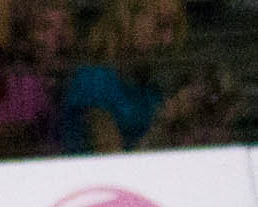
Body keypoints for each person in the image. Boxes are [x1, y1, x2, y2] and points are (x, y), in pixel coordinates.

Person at [61, 0, 238, 153]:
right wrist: (165, 121)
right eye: (161, 26)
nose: (169, 40)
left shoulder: (148, 89)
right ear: (128, 21)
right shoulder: (93, 82)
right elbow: (114, 166)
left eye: (173, 28)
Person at [0, 0, 76, 158]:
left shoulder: (80, 78)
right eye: (45, 27)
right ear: (26, 40)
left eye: (65, 24)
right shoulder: (22, 86)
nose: (60, 35)